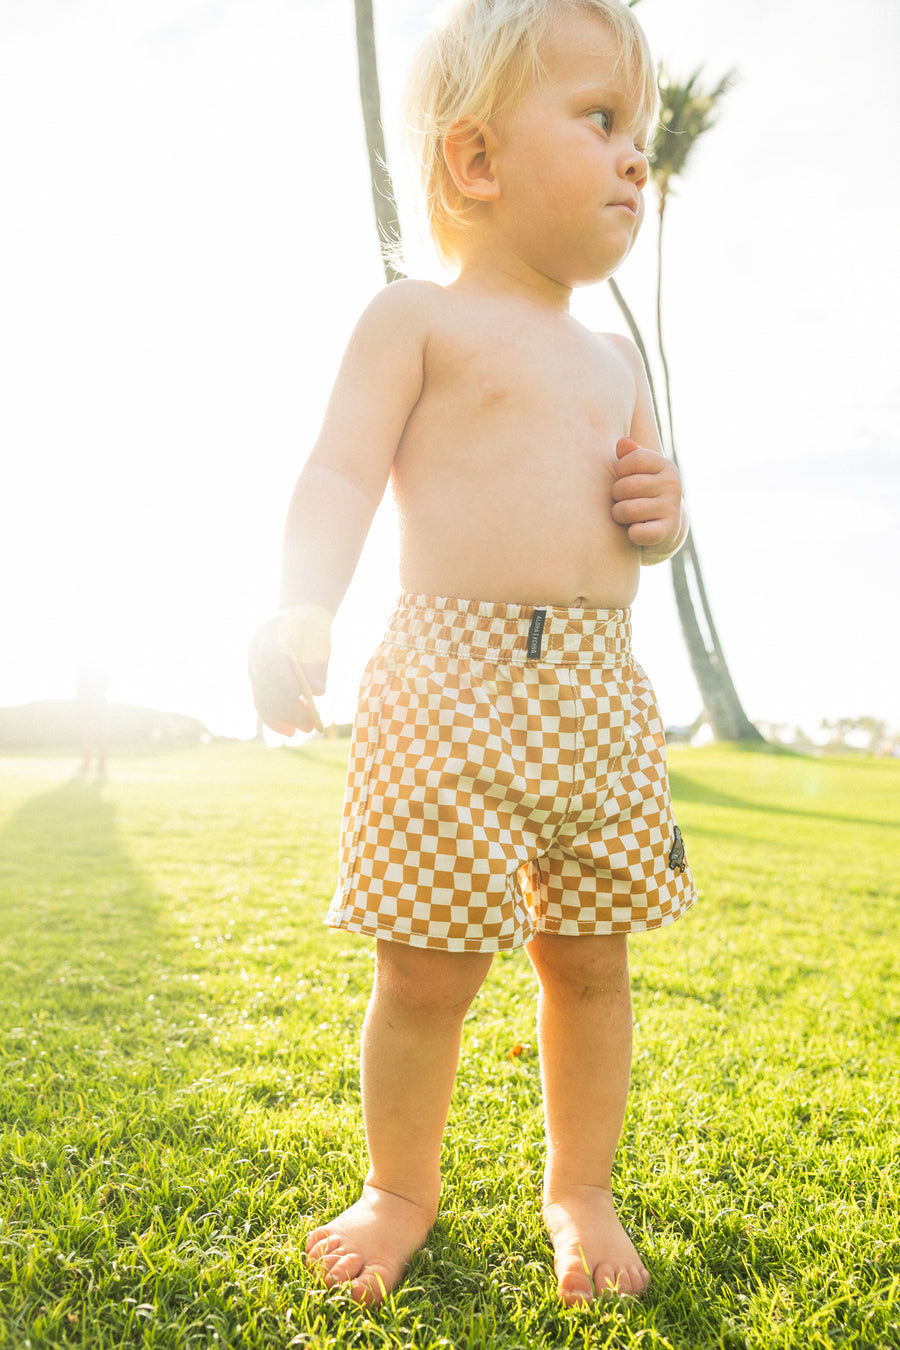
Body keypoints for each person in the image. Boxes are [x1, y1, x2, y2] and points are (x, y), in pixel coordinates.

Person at [249, 0, 696, 1307]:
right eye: (603, 121)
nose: (635, 160)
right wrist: (303, 606)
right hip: (448, 679)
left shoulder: (616, 357)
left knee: (591, 957)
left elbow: (647, 517)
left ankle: (582, 1187)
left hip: (597, 692)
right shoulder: (418, 322)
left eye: (644, 135)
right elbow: (338, 471)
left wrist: (663, 520)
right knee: (428, 965)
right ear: (478, 161)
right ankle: (400, 1186)